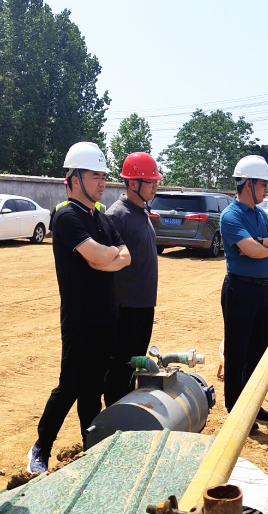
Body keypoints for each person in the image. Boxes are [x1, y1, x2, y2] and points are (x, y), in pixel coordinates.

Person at [27, 142, 131, 473]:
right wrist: (106, 256)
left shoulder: (101, 217)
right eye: (95, 175)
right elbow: (103, 255)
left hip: (106, 315)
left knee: (93, 387)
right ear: (74, 179)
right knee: (70, 385)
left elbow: (125, 257)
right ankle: (41, 447)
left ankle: (91, 443)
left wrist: (105, 257)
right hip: (79, 318)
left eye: (103, 175)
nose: (103, 182)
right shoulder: (66, 216)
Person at [220, 155, 268, 433]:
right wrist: (266, 244)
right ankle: (236, 411)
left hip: (261, 290)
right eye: (263, 184)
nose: (266, 190)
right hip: (240, 290)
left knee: (257, 351)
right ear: (248, 184)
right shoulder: (231, 216)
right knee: (238, 351)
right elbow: (253, 251)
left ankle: (253, 405)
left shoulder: (259, 214)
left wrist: (262, 243)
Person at [104, 152, 162, 406]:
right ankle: (114, 412)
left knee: (135, 364)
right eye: (150, 182)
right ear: (133, 183)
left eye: (156, 181)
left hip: (144, 304)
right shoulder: (117, 215)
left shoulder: (141, 211)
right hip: (125, 306)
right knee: (120, 364)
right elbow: (108, 261)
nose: (155, 186)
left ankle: (127, 408)